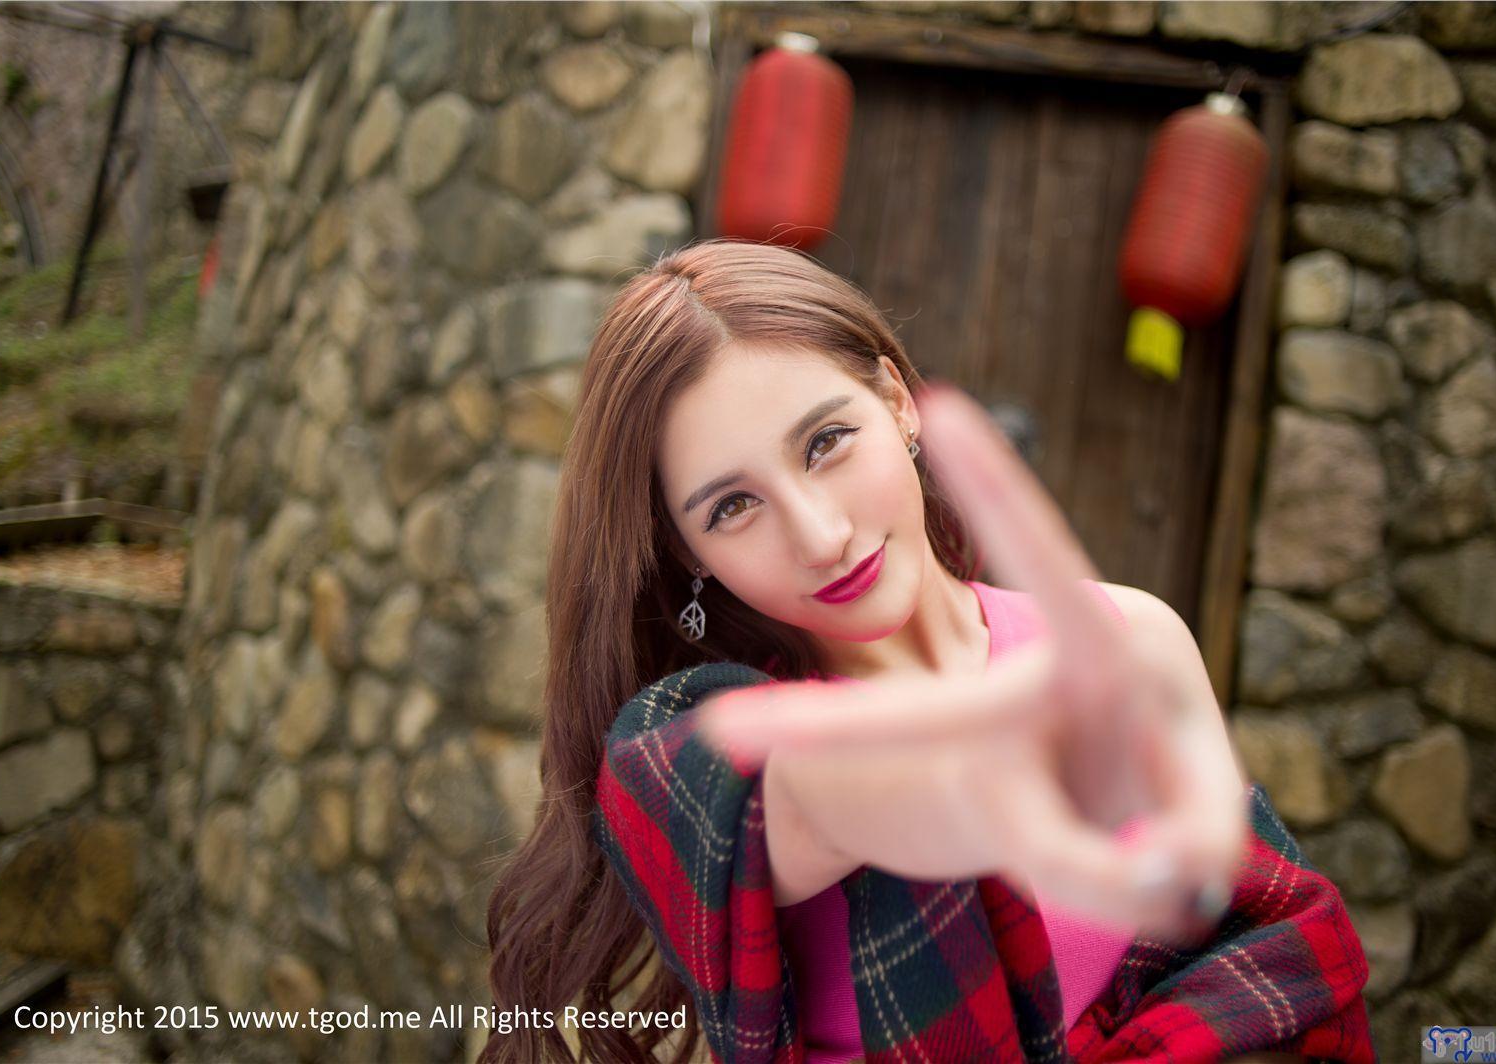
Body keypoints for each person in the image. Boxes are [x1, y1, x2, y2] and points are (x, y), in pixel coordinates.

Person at [481, 239, 1373, 1064]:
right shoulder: (699, 748)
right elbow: (769, 786)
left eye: (826, 442)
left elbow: (1265, 945)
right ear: (689, 557)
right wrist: (922, 785)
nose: (821, 536)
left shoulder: (1131, 639)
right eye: (732, 507)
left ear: (899, 402)